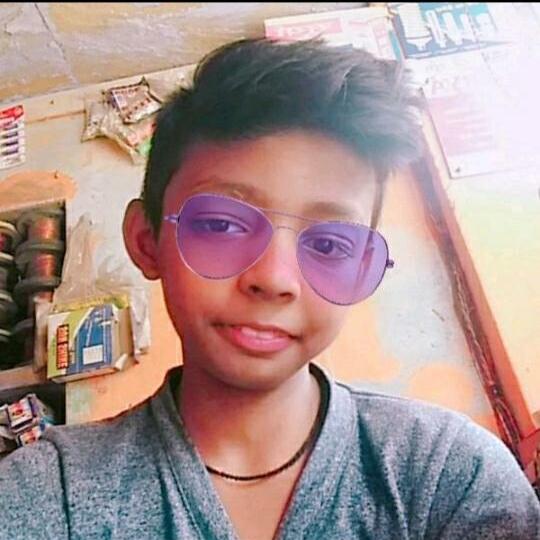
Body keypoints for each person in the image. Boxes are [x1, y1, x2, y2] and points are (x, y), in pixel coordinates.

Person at [1, 37, 539, 540]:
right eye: (223, 225)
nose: (275, 279)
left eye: (330, 244)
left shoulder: (447, 475)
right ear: (147, 241)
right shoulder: (50, 495)